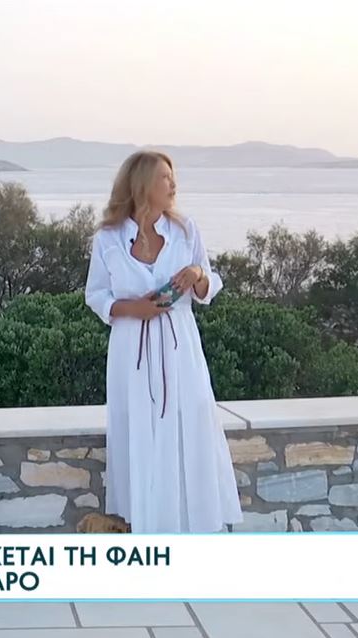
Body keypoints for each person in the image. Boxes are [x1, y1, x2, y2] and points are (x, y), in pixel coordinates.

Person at [84, 150, 243, 533]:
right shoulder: (108, 238)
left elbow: (210, 286)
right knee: (139, 429)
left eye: (172, 177)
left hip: (179, 347)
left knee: (188, 426)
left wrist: (196, 273)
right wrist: (134, 308)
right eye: (165, 178)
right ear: (142, 185)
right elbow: (96, 295)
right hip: (131, 350)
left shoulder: (185, 231)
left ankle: (192, 523)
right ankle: (147, 523)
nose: (173, 185)